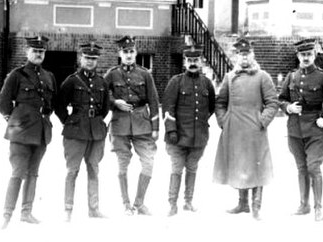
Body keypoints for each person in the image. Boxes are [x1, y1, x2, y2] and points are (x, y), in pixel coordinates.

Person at [213, 38, 279, 220]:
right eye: (240, 54)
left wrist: (262, 121)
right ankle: (242, 204)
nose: (244, 58)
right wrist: (224, 121)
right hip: (234, 130)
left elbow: (273, 102)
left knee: (257, 166)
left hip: (255, 131)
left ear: (252, 55)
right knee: (239, 164)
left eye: (247, 54)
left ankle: (256, 206)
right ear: (236, 57)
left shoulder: (262, 77)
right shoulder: (229, 77)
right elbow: (220, 102)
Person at [0, 36, 57, 229]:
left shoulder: (49, 77)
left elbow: (51, 103)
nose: (38, 54)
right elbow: (2, 103)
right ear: (27, 52)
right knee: (18, 173)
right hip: (21, 133)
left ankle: (26, 212)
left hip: (40, 133)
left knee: (33, 173)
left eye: (41, 51)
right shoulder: (17, 75)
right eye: (35, 51)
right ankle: (7, 214)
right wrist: (13, 120)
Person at [278, 38, 323, 221]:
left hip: (316, 129)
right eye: (302, 55)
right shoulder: (292, 76)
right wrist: (288, 108)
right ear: (298, 56)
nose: (306, 58)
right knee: (301, 168)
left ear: (314, 55)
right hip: (295, 130)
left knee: (313, 167)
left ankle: (318, 207)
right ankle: (304, 205)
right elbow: (281, 99)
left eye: (309, 54)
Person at [104, 36, 160, 215]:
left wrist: (156, 127)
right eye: (125, 52)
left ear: (136, 53)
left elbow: (153, 100)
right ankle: (126, 204)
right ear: (120, 54)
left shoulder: (144, 74)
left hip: (142, 123)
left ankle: (139, 202)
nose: (128, 55)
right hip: (119, 124)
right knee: (122, 165)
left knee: (148, 163)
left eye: (131, 52)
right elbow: (102, 95)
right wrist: (115, 102)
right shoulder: (112, 74)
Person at [55, 42, 109, 222]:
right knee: (72, 171)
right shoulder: (72, 80)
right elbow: (60, 106)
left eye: (94, 59)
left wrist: (94, 121)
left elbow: (105, 108)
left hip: (96, 132)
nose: (90, 62)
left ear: (97, 61)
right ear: (81, 58)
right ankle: (67, 209)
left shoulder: (102, 82)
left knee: (94, 169)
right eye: (87, 58)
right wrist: (70, 121)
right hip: (75, 132)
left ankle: (94, 209)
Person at [162, 44, 215, 216]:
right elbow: (168, 108)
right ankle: (171, 204)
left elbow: (211, 107)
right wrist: (171, 131)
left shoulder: (207, 83)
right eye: (189, 60)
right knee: (176, 169)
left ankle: (188, 201)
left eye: (196, 60)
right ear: (184, 62)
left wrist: (200, 124)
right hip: (177, 137)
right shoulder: (175, 82)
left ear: (200, 62)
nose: (192, 63)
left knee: (192, 168)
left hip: (198, 138)